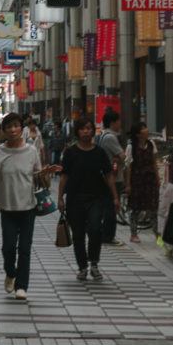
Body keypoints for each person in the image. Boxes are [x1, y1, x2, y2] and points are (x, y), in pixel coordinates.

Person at [0, 112, 60, 300]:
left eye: (16, 125)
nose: (13, 129)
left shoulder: (31, 151)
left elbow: (37, 176)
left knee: (25, 248)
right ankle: (10, 273)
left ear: (21, 128)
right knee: (8, 247)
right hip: (7, 207)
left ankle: (22, 286)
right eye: (9, 127)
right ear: (4, 130)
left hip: (28, 206)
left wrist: (46, 173)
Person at [58, 117, 119, 281]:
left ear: (93, 131)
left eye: (89, 128)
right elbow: (64, 176)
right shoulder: (70, 153)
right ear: (77, 131)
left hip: (96, 198)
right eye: (83, 128)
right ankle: (82, 266)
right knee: (77, 234)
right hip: (75, 198)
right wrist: (60, 198)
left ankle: (94, 263)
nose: (86, 131)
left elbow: (108, 175)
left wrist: (115, 197)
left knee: (94, 229)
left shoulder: (99, 153)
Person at [125, 122, 160, 243]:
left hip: (150, 179)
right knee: (135, 207)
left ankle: (157, 234)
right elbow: (128, 166)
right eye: (144, 128)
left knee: (153, 207)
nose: (147, 129)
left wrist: (157, 178)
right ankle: (133, 234)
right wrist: (128, 184)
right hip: (137, 180)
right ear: (138, 134)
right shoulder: (131, 147)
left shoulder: (151, 144)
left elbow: (154, 162)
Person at [96, 110, 125, 246]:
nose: (120, 124)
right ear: (113, 122)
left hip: (104, 177)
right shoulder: (110, 137)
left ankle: (104, 234)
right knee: (112, 206)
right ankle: (108, 236)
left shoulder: (102, 135)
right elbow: (122, 156)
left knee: (107, 205)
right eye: (118, 121)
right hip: (113, 177)